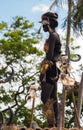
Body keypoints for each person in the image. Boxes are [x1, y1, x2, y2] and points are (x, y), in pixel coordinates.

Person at [39, 12, 61, 127]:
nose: (42, 26)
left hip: (50, 69)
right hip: (54, 69)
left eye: (43, 23)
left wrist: (42, 73)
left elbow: (50, 56)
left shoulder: (53, 36)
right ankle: (57, 125)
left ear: (48, 22)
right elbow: (56, 55)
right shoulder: (55, 35)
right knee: (53, 98)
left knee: (45, 98)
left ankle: (52, 124)